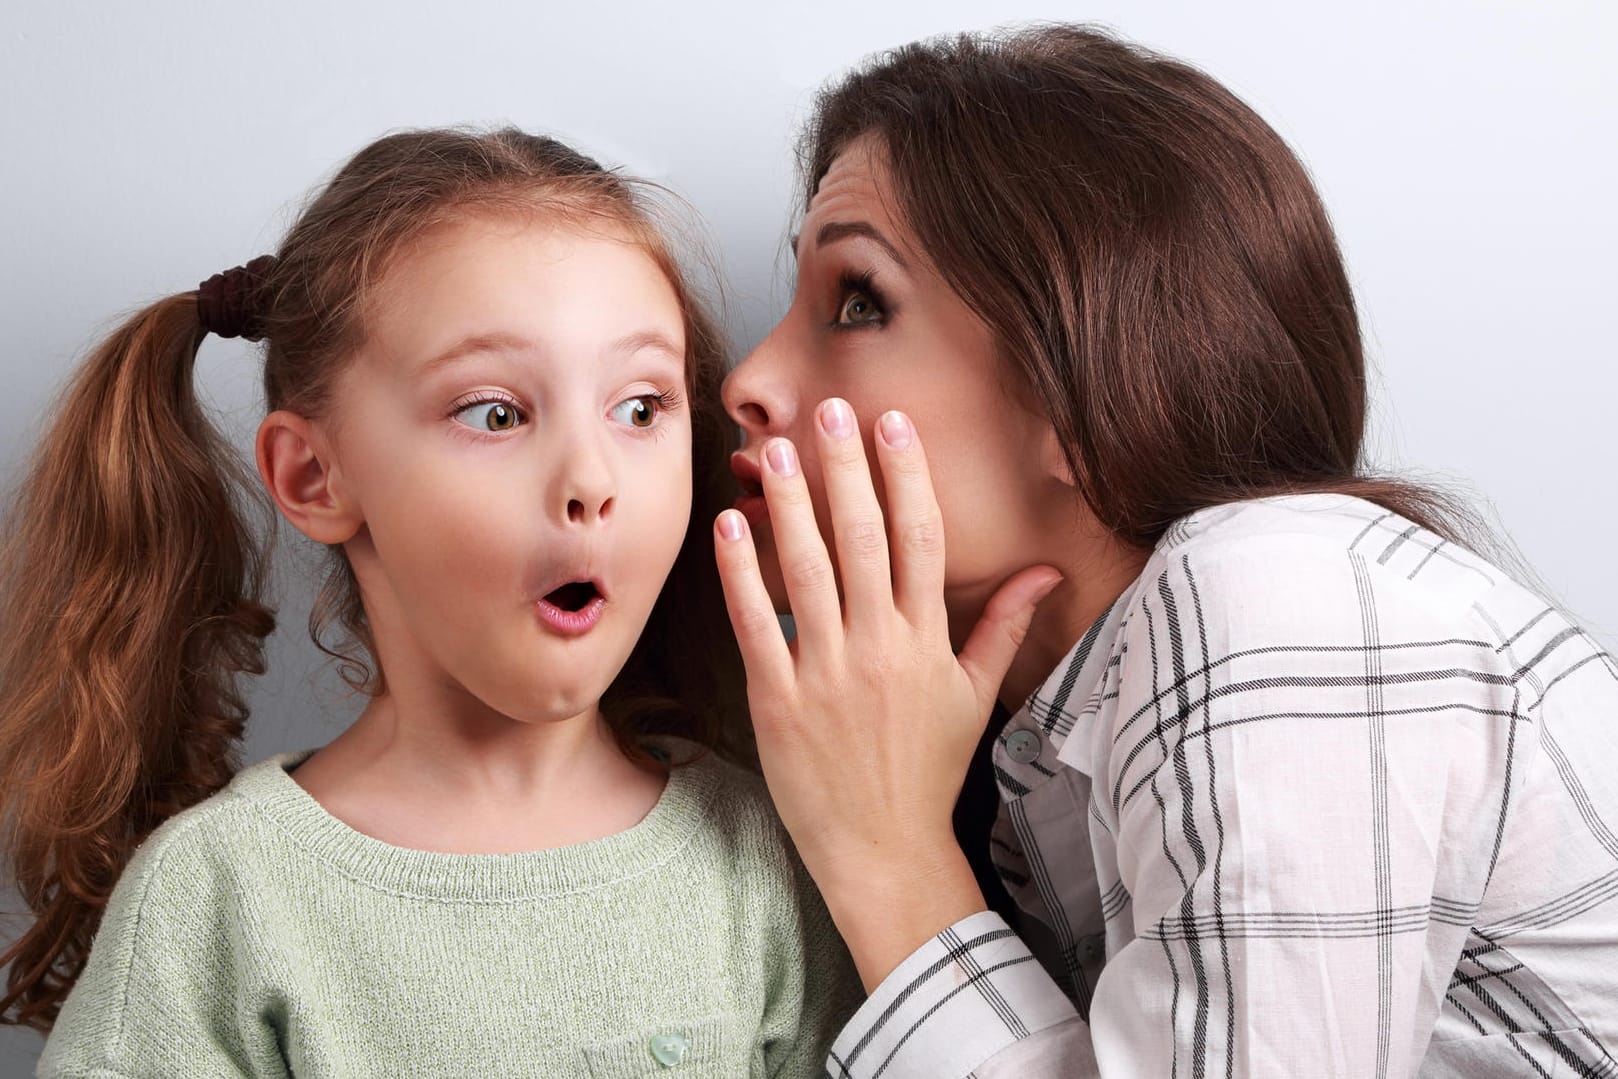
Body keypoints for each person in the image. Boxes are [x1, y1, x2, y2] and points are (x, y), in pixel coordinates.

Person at [714, 25, 1618, 1078]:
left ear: (1088, 386)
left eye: (858, 301)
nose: (747, 377)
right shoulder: (1052, 746)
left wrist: (887, 853)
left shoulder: (1275, 594)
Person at [0, 127, 856, 1076]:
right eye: (495, 412)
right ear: (316, 476)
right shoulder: (219, 901)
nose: (591, 478)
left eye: (641, 407)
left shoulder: (762, 860)